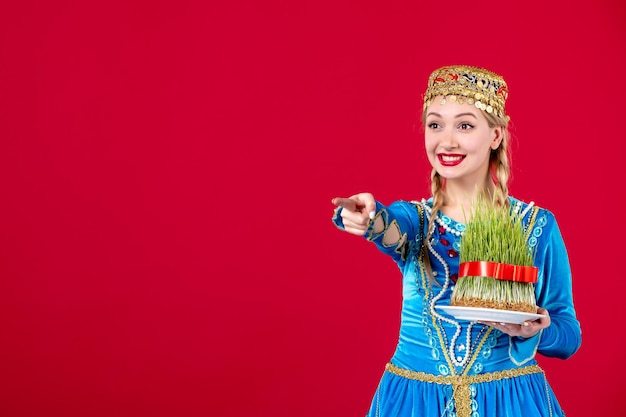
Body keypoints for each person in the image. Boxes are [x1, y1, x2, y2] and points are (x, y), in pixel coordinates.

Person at [331, 65, 581, 417]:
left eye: (465, 125)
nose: (446, 141)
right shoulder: (416, 221)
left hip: (510, 402)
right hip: (415, 402)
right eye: (435, 125)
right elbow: (389, 229)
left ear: (495, 136)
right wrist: (368, 218)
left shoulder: (536, 226)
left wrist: (536, 327)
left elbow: (568, 336)